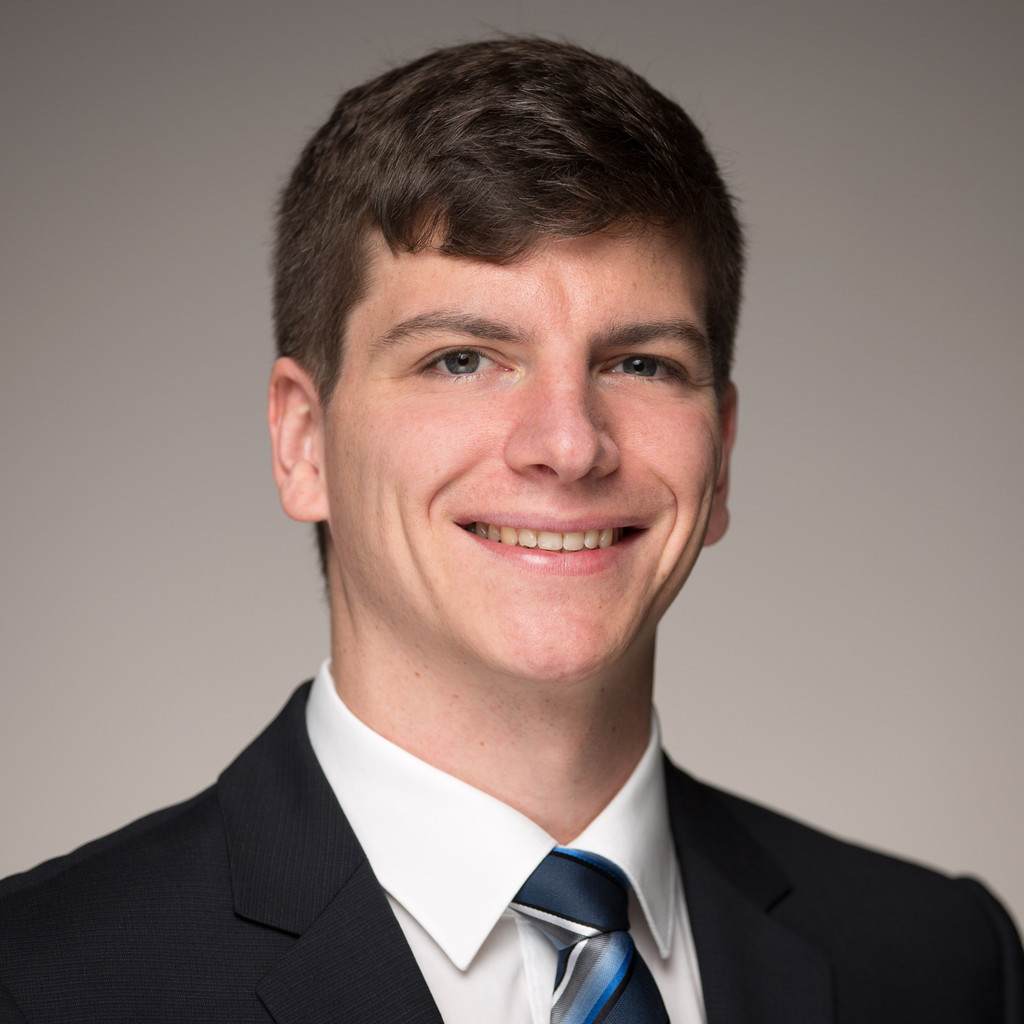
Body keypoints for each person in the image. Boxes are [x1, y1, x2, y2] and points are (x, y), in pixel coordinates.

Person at [0, 36, 1020, 1024]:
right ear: (302, 442)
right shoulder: (41, 983)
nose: (569, 445)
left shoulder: (941, 963)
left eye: (641, 364)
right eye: (461, 359)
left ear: (719, 452)